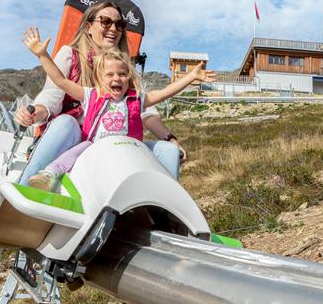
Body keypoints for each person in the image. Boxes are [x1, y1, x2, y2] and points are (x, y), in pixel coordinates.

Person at [21, 26, 215, 190]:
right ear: (99, 78)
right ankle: (49, 175)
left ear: (128, 77)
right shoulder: (91, 95)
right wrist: (42, 54)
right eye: (110, 74)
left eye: (122, 74)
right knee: (82, 147)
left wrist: (191, 77)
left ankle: (166, 199)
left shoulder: (136, 99)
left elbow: (165, 92)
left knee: (167, 151)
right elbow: (60, 80)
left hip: (127, 149)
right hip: (96, 148)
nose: (116, 79)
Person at [14, 0, 186, 183]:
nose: (113, 29)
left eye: (119, 25)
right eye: (106, 22)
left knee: (168, 151)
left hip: (115, 143)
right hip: (76, 138)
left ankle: (163, 206)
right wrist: (36, 111)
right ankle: (26, 184)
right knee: (67, 122)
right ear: (89, 27)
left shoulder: (124, 69)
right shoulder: (70, 54)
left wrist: (170, 140)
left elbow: (145, 111)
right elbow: (53, 93)